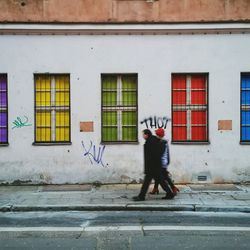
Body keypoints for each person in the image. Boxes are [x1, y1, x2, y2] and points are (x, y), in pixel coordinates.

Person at [132, 129, 175, 201]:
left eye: (143, 134)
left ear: (147, 134)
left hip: (152, 167)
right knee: (161, 181)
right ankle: (170, 194)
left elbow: (155, 154)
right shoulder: (153, 140)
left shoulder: (151, 141)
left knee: (147, 182)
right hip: (154, 166)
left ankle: (141, 196)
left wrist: (152, 166)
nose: (142, 136)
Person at [149, 128, 179, 196]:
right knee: (159, 176)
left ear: (158, 135)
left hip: (161, 162)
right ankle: (156, 188)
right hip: (163, 162)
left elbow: (160, 153)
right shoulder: (162, 141)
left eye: (156, 134)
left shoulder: (162, 142)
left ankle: (173, 188)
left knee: (164, 176)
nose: (155, 135)